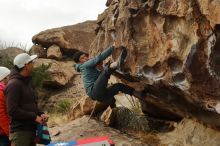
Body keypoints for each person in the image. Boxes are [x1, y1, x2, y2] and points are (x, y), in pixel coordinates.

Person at [73, 45, 145, 104]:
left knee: (119, 86)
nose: (86, 58)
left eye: (85, 56)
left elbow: (101, 74)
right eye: (82, 58)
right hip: (94, 91)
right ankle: (117, 63)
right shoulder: (84, 65)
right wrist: (112, 47)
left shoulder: (87, 69)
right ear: (79, 62)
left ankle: (140, 94)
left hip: (101, 97)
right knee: (105, 72)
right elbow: (98, 58)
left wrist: (104, 66)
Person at [5, 53, 48, 146]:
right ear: (25, 65)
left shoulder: (26, 82)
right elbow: (12, 110)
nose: (33, 64)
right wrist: (34, 117)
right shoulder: (14, 84)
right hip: (20, 133)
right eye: (31, 62)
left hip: (30, 130)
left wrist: (40, 113)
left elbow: (30, 104)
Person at [0, 67, 11, 146]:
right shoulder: (1, 92)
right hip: (3, 133)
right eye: (8, 76)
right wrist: (9, 132)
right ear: (4, 78)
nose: (10, 78)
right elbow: (1, 115)